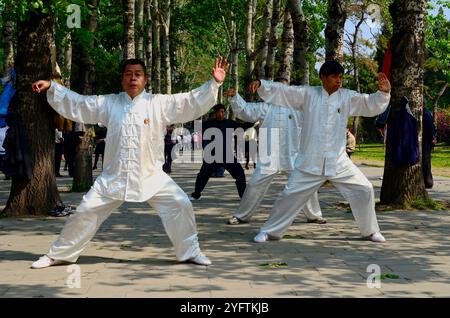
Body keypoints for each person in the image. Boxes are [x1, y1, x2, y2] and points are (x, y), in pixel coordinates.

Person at [30, 57, 228, 268]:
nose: (133, 78)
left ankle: (190, 252)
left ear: (145, 79)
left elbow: (188, 100)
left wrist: (214, 83)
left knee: (181, 203)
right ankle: (58, 254)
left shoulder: (158, 103)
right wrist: (53, 87)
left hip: (152, 175)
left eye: (138, 74)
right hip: (114, 176)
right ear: (123, 79)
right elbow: (81, 103)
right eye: (128, 74)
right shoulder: (109, 103)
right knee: (85, 211)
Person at [247, 60, 391, 243]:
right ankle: (269, 231)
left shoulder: (347, 97)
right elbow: (285, 91)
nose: (339, 81)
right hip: (309, 161)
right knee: (288, 195)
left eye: (341, 77)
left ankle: (370, 231)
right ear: (323, 77)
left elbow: (368, 103)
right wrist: (262, 85)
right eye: (334, 77)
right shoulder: (308, 94)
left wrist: (383, 93)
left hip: (339, 161)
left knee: (364, 188)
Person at [225, 86, 326, 226]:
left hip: (293, 155)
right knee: (255, 184)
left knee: (304, 183)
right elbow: (245, 110)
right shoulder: (266, 107)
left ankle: (314, 215)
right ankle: (242, 216)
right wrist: (234, 97)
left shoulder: (299, 108)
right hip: (269, 155)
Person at [190, 104, 254, 200]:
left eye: (223, 112)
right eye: (220, 112)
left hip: (226, 154)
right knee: (202, 175)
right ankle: (196, 194)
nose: (222, 113)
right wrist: (198, 113)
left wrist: (253, 119)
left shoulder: (229, 123)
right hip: (212, 155)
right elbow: (195, 126)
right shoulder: (208, 124)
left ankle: (243, 196)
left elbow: (243, 126)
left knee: (240, 173)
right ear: (215, 113)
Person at [422, 105, 437, 189]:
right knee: (426, 161)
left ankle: (427, 181)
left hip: (425, 140)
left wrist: (432, 138)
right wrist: (432, 138)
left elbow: (430, 128)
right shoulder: (427, 113)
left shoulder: (425, 114)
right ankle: (427, 181)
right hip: (426, 140)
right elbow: (431, 128)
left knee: (425, 161)